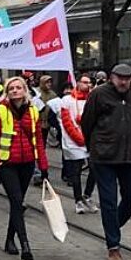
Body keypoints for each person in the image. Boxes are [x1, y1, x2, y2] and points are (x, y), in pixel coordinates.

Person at [81, 63, 131, 260]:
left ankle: (112, 227)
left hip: (130, 154)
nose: (123, 82)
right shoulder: (98, 94)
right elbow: (87, 123)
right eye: (119, 78)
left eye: (127, 78)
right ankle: (113, 246)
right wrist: (93, 147)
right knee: (108, 200)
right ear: (111, 77)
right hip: (104, 156)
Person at [0, 76, 48, 260]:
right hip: (7, 164)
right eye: (11, 88)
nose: (15, 90)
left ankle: (9, 239)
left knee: (16, 203)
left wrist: (43, 166)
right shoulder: (0, 110)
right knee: (17, 201)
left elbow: (39, 140)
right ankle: (25, 245)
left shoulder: (33, 111)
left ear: (25, 90)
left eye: (18, 87)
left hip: (27, 163)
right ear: (7, 92)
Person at [50, 74, 98, 214]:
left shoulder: (92, 99)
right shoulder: (67, 100)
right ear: (77, 83)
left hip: (90, 140)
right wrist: (79, 138)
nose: (88, 85)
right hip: (73, 141)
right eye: (85, 82)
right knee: (75, 172)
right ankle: (78, 200)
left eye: (89, 82)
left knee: (95, 169)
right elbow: (66, 121)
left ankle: (87, 195)